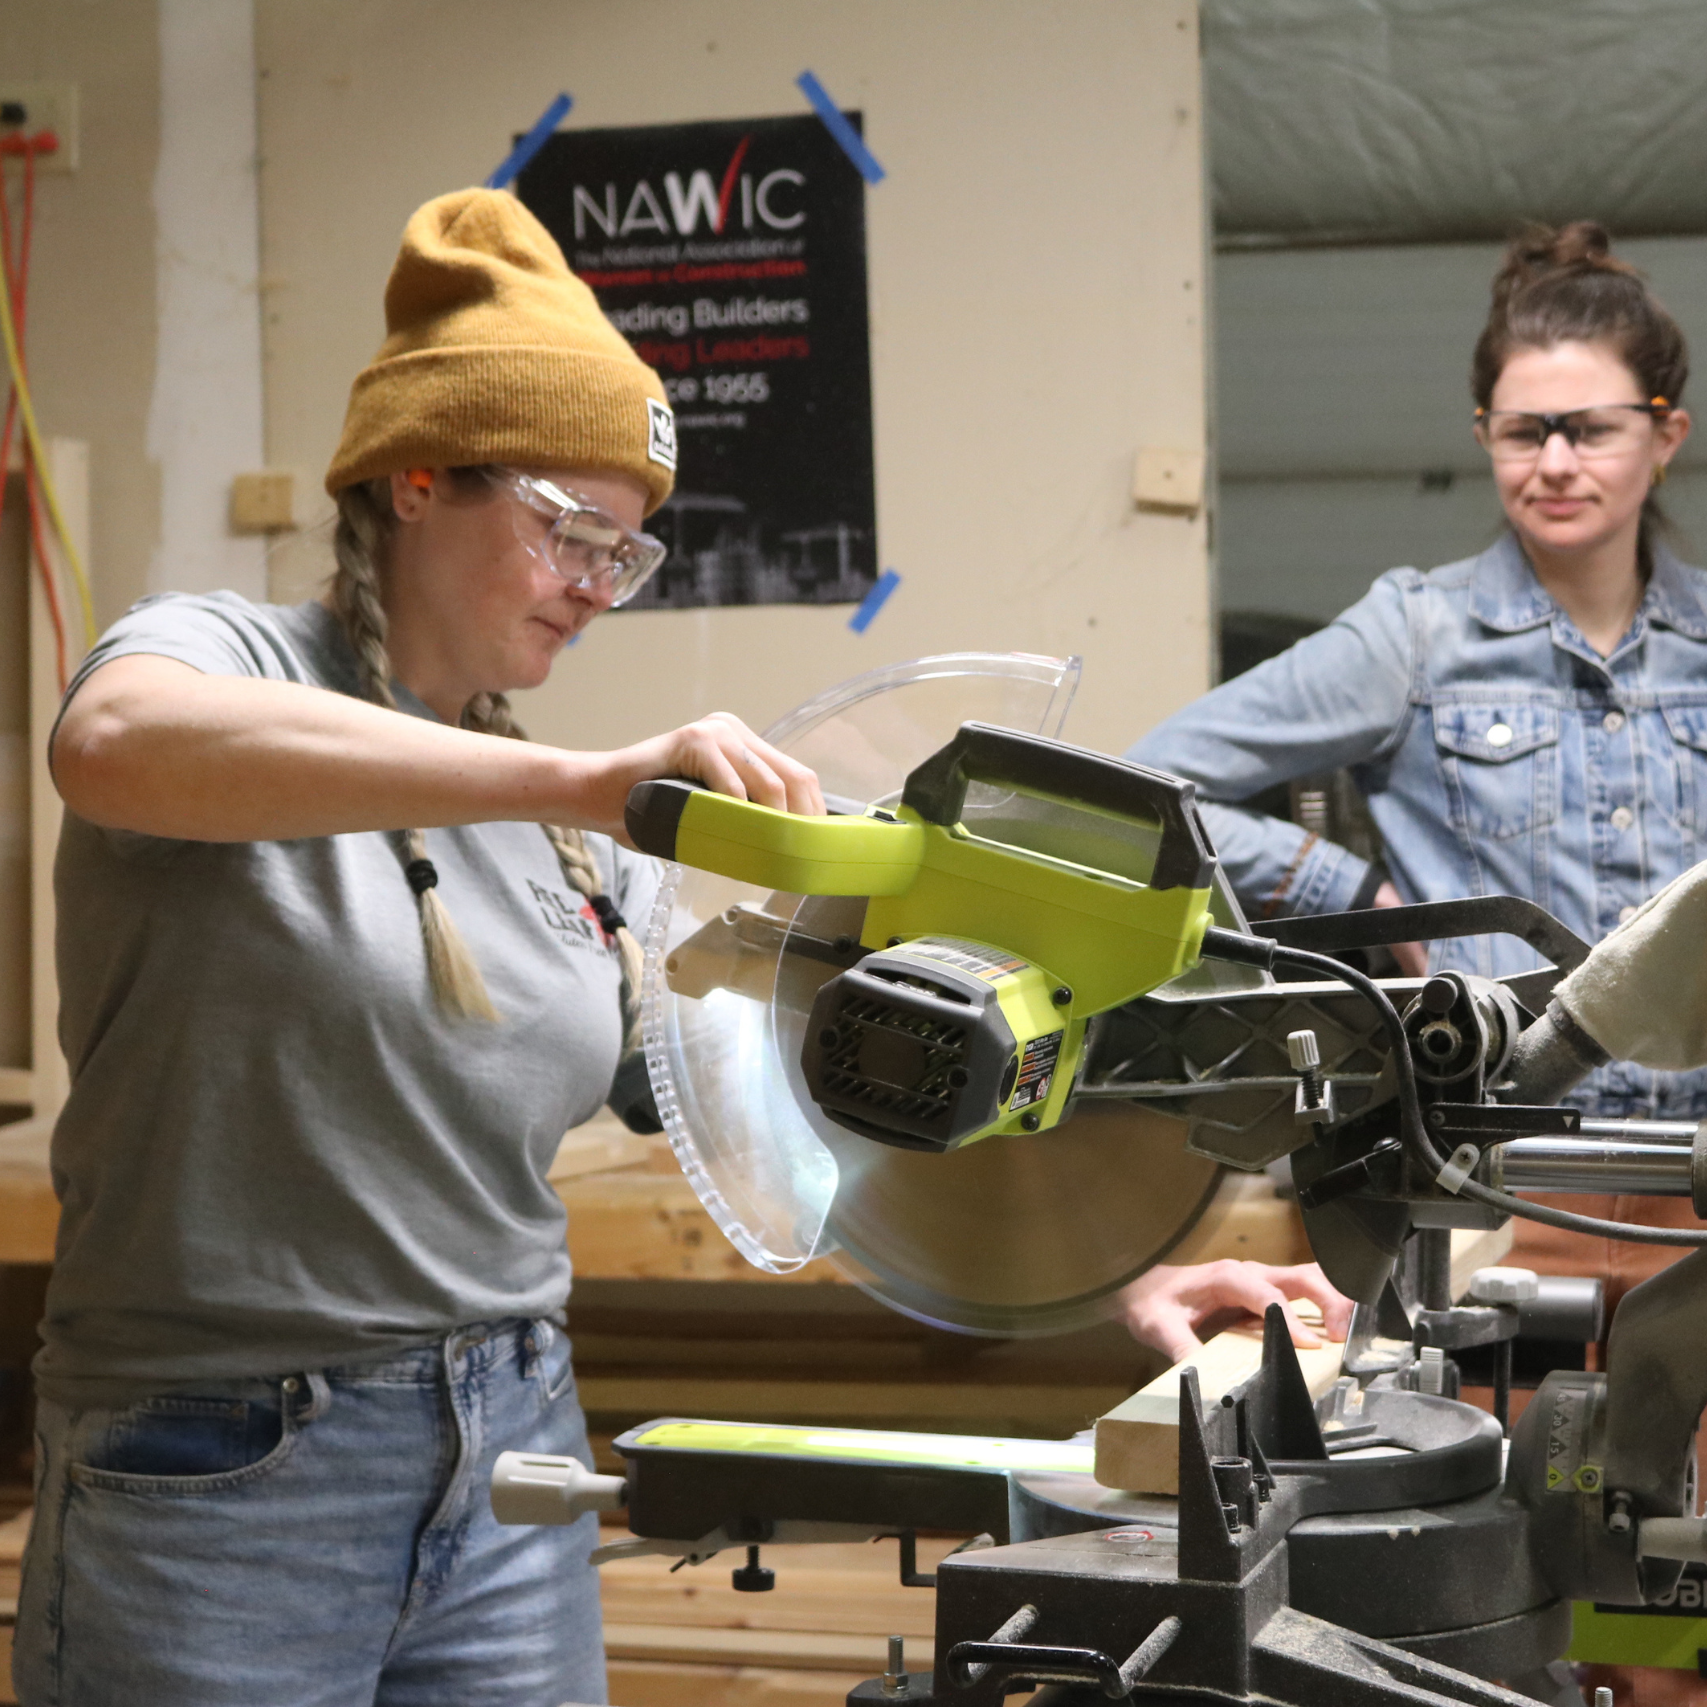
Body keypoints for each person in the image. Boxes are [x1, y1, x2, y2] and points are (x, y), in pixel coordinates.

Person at [13, 188, 822, 1707]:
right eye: (567, 530)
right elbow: (110, 744)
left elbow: (734, 1085)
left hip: (513, 1448)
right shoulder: (221, 657)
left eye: (627, 552)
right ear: (416, 478)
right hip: (224, 1469)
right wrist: (580, 777)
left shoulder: (570, 830)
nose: (596, 584)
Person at [1127, 220, 1701, 1705]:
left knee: (1679, 1614)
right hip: (1507, 1192)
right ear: (1483, 436)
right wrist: (1351, 888)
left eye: (1588, 426)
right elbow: (1155, 784)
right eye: (1521, 430)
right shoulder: (1416, 633)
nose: (1553, 460)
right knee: (1502, 1609)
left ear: (1665, 432)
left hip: (1700, 1191)